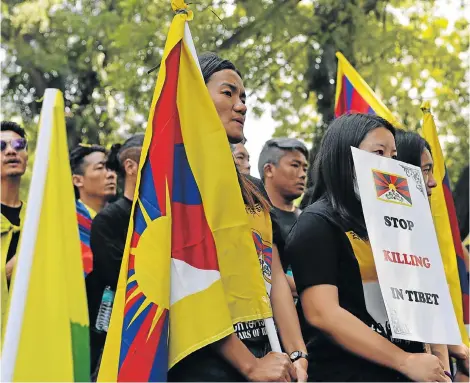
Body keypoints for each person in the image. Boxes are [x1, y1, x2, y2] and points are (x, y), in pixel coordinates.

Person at [168, 52, 308, 382]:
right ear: (195, 96)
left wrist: (297, 354)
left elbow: (270, 270)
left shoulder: (253, 189)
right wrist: (249, 365)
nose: (242, 106)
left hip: (267, 351)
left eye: (243, 97)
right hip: (205, 361)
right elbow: (187, 280)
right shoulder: (176, 180)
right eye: (228, 93)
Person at [285, 113, 447, 382]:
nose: (389, 165)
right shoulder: (317, 224)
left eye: (393, 157)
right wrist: (404, 360)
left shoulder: (395, 224)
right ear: (344, 157)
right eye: (378, 153)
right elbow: (322, 313)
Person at [395, 130, 469, 382]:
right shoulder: (378, 235)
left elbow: (430, 307)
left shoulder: (422, 232)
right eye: (425, 170)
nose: (433, 182)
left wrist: (448, 365)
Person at [87, 134, 144, 378]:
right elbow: (119, 276)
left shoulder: (167, 218)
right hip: (118, 336)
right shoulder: (108, 220)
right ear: (130, 167)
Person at [258, 137, 308, 296]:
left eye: (305, 169)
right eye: (295, 165)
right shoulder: (256, 217)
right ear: (269, 170)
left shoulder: (311, 220)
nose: (302, 174)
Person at [69, 144, 117, 276]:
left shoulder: (122, 220)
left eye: (112, 168)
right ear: (78, 180)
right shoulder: (66, 221)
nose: (111, 174)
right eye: (100, 168)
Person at [1, 121, 28, 336]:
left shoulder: (37, 218)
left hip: (30, 337)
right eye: (1, 146)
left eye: (19, 144)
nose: (11, 150)